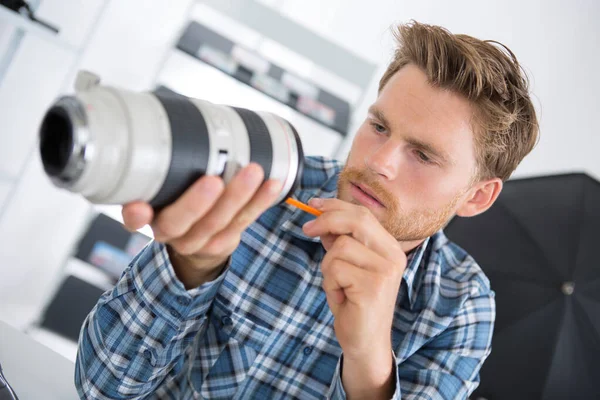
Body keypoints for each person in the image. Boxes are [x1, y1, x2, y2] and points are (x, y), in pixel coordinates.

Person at [75, 21, 538, 399]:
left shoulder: (461, 307)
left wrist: (369, 361)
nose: (378, 162)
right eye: (378, 126)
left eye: (423, 155)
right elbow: (100, 388)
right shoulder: (262, 186)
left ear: (477, 196)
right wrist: (188, 268)